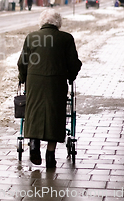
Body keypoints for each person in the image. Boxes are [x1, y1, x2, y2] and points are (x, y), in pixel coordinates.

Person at [17, 9, 82, 168]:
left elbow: (22, 63)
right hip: (57, 82)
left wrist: (22, 78)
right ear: (58, 23)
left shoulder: (31, 37)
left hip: (35, 82)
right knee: (55, 113)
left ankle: (34, 145)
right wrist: (71, 76)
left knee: (34, 111)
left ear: (42, 22)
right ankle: (50, 154)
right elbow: (74, 64)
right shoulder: (66, 39)